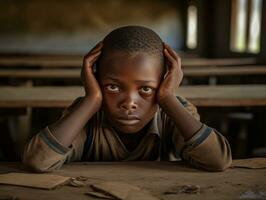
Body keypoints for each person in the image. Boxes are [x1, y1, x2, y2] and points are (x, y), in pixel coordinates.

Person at [23, 26, 232, 172]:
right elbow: (37, 161)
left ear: (165, 82)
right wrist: (92, 99)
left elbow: (217, 161)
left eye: (146, 89)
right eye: (113, 87)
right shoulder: (86, 114)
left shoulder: (173, 112)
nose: (129, 102)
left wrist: (168, 98)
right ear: (95, 80)